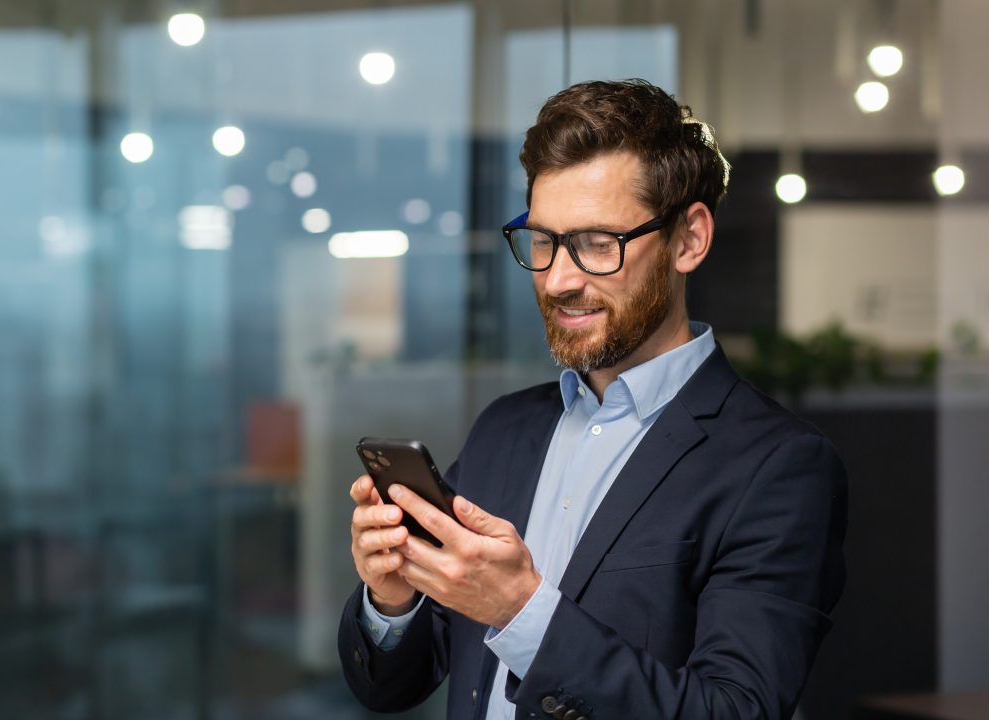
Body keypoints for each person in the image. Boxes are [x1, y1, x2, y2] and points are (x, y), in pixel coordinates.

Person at [338, 78, 847, 720]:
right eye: (545, 241)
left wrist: (521, 612)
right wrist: (392, 600)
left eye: (598, 245)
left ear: (689, 238)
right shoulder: (505, 428)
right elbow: (393, 685)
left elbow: (734, 711)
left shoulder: (779, 467)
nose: (557, 279)